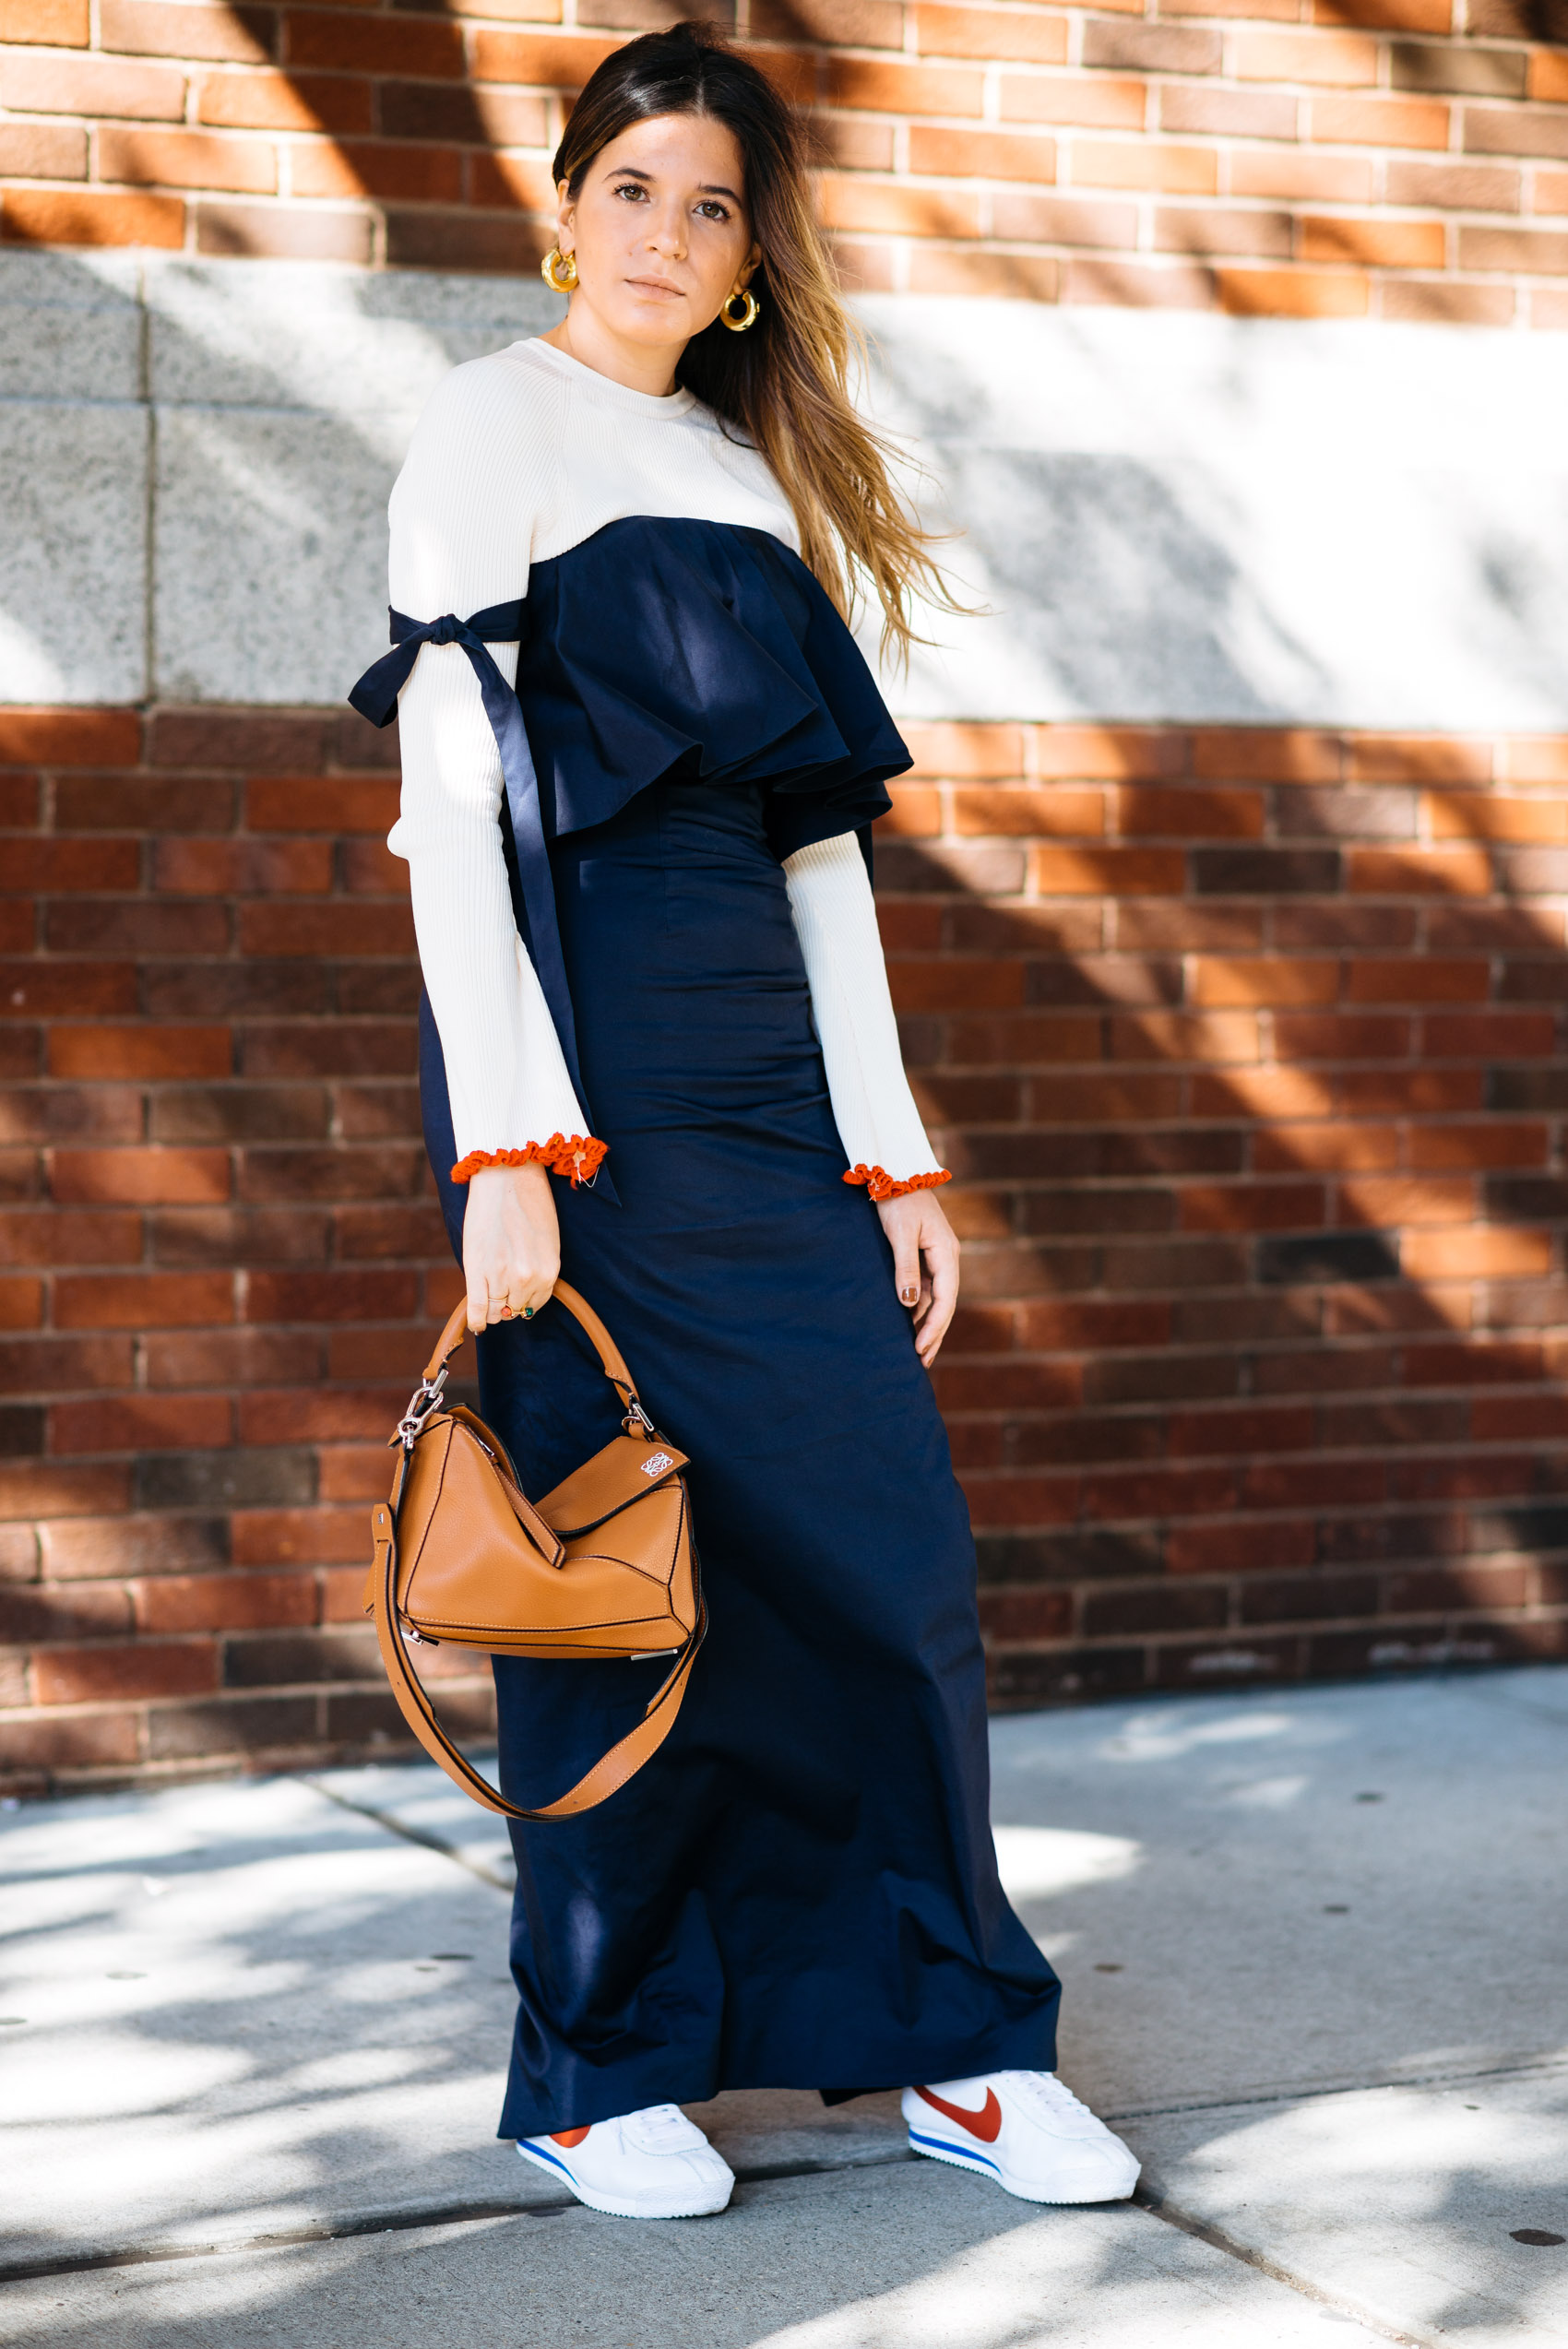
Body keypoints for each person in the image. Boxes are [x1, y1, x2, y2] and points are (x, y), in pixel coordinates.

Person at [355, 18, 1139, 2224]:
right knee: (608, 1584)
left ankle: (956, 2043)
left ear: (750, 263)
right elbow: (447, 808)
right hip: (578, 1074)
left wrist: (890, 1151)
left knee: (884, 1555)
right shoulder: (488, 425)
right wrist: (501, 1146)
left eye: (711, 205)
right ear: (566, 201)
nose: (665, 233)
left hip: (767, 1094)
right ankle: (603, 2063)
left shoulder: (742, 476)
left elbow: (820, 859)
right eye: (632, 185)